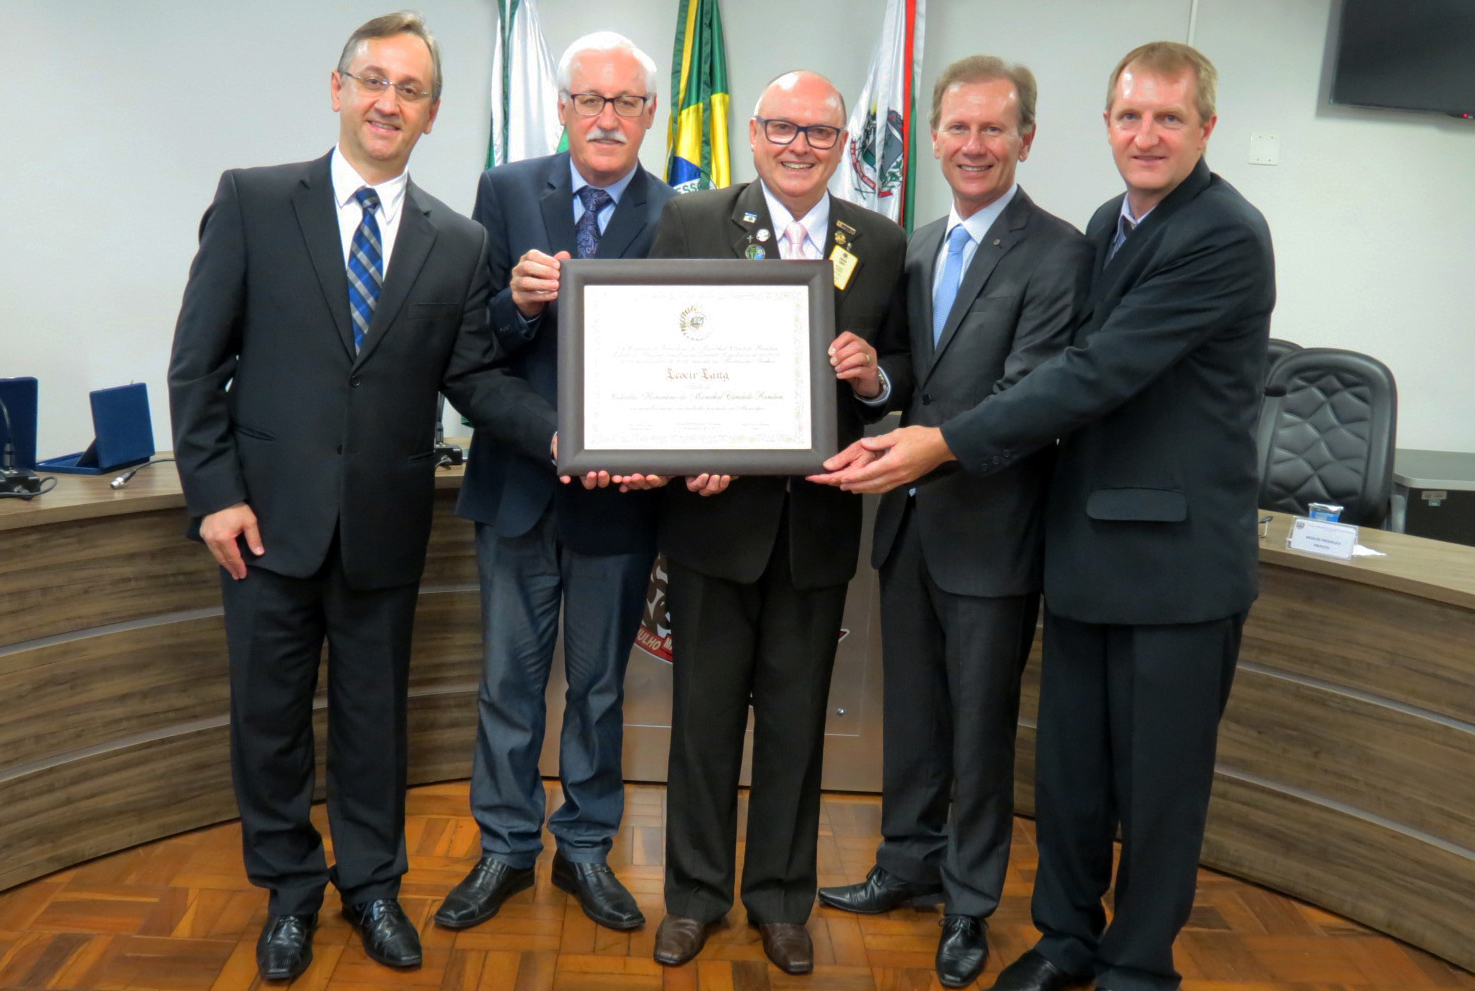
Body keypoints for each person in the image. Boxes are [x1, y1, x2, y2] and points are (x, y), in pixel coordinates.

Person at [811, 41, 1275, 991]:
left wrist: (936, 443)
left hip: (1175, 565)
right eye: (1131, 116)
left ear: (1205, 129)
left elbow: (1090, 375)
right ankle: (1064, 938)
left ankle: (1135, 967)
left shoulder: (1222, 231)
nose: (1145, 134)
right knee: (1068, 775)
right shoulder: (1113, 223)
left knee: (1155, 789)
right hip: (1087, 549)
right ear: (1106, 125)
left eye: (1168, 118)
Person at [167, 12, 553, 982]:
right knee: (268, 721)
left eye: (409, 89)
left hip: (383, 531)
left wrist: (561, 437)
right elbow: (194, 363)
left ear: (430, 115)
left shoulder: (458, 243)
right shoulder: (253, 202)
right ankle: (290, 892)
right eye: (373, 80)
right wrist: (213, 495)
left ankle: (372, 885)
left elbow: (474, 379)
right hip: (260, 527)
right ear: (337, 89)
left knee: (374, 722)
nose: (388, 101)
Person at [814, 55, 1091, 989]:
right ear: (930, 136)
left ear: (1024, 140)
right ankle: (906, 864)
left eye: (991, 130)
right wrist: (870, 382)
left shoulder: (1059, 253)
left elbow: (1032, 396)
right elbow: (904, 373)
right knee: (915, 719)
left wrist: (927, 443)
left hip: (993, 530)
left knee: (979, 729)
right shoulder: (917, 242)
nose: (972, 146)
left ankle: (970, 903)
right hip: (908, 527)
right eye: (956, 128)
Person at [645, 70, 906, 976]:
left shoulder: (877, 239)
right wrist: (687, 446)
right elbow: (655, 350)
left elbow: (898, 372)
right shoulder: (692, 221)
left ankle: (782, 899)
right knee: (702, 724)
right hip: (713, 524)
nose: (800, 145)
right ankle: (691, 897)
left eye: (820, 133)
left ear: (843, 145)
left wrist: (871, 375)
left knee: (796, 727)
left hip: (815, 529)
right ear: (752, 134)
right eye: (783, 128)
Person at [433, 31, 675, 937]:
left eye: (625, 102)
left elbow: (678, 368)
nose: (606, 118)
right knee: (507, 683)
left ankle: (584, 848)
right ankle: (503, 845)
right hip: (518, 484)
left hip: (622, 495)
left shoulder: (681, 214)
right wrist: (516, 301)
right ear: (565, 108)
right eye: (590, 100)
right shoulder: (504, 192)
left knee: (601, 687)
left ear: (648, 113)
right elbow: (470, 345)